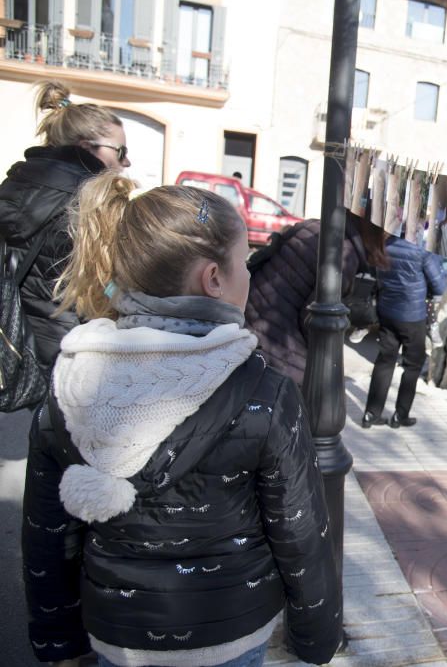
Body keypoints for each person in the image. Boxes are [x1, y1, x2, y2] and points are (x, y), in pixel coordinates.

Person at [22, 172, 340, 666]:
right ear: (213, 279)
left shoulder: (73, 380)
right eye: (244, 264)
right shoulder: (264, 390)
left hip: (118, 634)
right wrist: (317, 637)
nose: (251, 275)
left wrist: (57, 641)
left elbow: (47, 531)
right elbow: (298, 530)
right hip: (231, 630)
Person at [0, 81, 130, 383]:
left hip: (13, 343)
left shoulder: (14, 182)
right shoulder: (94, 202)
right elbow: (105, 288)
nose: (126, 161)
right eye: (120, 151)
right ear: (86, 147)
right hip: (67, 355)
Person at [244, 213, 370, 386]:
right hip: (279, 351)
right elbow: (314, 320)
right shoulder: (344, 253)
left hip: (250, 324)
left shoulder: (313, 226)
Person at [362, 220, 447, 428]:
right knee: (413, 364)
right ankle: (400, 415)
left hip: (387, 312)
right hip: (412, 316)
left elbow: (376, 275)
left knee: (385, 360)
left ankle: (371, 414)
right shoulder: (422, 251)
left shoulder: (386, 245)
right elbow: (439, 286)